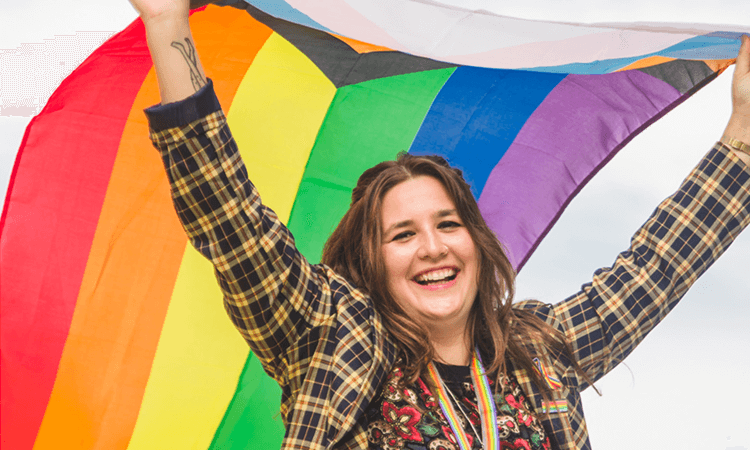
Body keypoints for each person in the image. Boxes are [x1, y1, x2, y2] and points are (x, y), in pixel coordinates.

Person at [131, 0, 750, 448]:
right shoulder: (332, 339)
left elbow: (654, 271)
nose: (432, 248)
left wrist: (743, 135)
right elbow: (232, 221)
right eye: (402, 235)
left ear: (477, 246)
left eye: (447, 224)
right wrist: (167, 24)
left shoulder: (537, 355)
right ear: (370, 264)